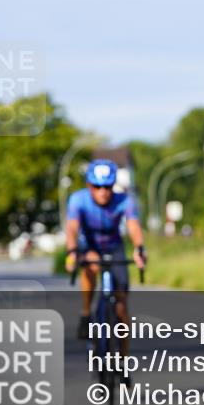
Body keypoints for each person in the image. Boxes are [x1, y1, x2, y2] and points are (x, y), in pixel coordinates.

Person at [63, 159, 146, 377]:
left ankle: (123, 361)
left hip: (114, 246)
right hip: (89, 245)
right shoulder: (78, 200)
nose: (103, 192)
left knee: (121, 308)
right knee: (89, 263)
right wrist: (72, 251)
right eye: (97, 187)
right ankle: (85, 312)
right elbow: (72, 228)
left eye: (108, 187)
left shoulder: (124, 200)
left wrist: (139, 248)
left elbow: (133, 225)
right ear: (89, 186)